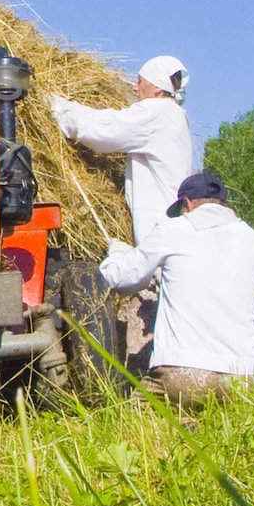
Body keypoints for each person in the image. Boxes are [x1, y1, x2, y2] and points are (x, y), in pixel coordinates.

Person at [49, 54, 192, 376]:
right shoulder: (175, 117)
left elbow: (104, 131)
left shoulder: (157, 114)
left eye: (139, 81)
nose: (134, 87)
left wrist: (58, 108)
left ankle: (162, 378)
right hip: (165, 229)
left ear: (155, 86)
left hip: (158, 232)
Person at [98, 171, 254, 407]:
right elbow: (251, 291)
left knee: (136, 426)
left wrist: (117, 255)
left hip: (187, 373)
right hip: (250, 377)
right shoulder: (253, 240)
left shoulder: (172, 229)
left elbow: (123, 278)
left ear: (187, 204)